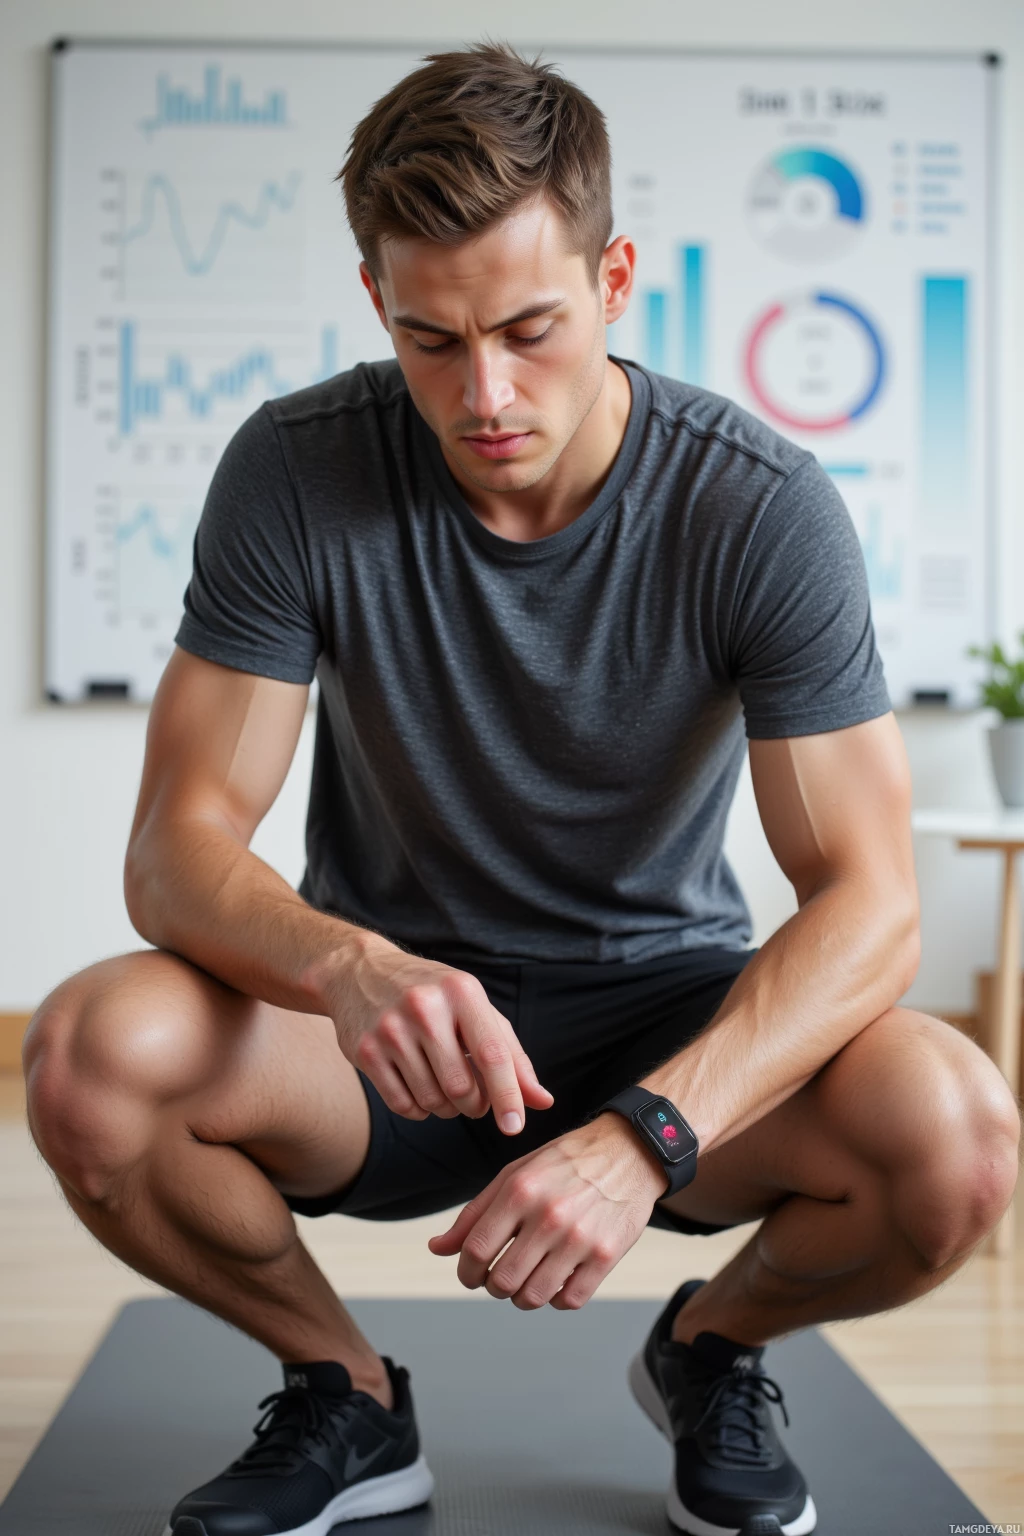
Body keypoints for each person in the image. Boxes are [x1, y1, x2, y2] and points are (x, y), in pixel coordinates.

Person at [22, 42, 1020, 1536]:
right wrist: (349, 966)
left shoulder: (758, 507)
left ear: (617, 278)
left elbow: (873, 906)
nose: (484, 393)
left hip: (660, 1016)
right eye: (432, 341)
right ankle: (346, 1394)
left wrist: (650, 1140)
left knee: (962, 1138)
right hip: (378, 1029)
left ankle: (710, 1350)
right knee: (89, 1056)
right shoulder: (295, 471)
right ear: (378, 303)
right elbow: (176, 853)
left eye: (530, 328)